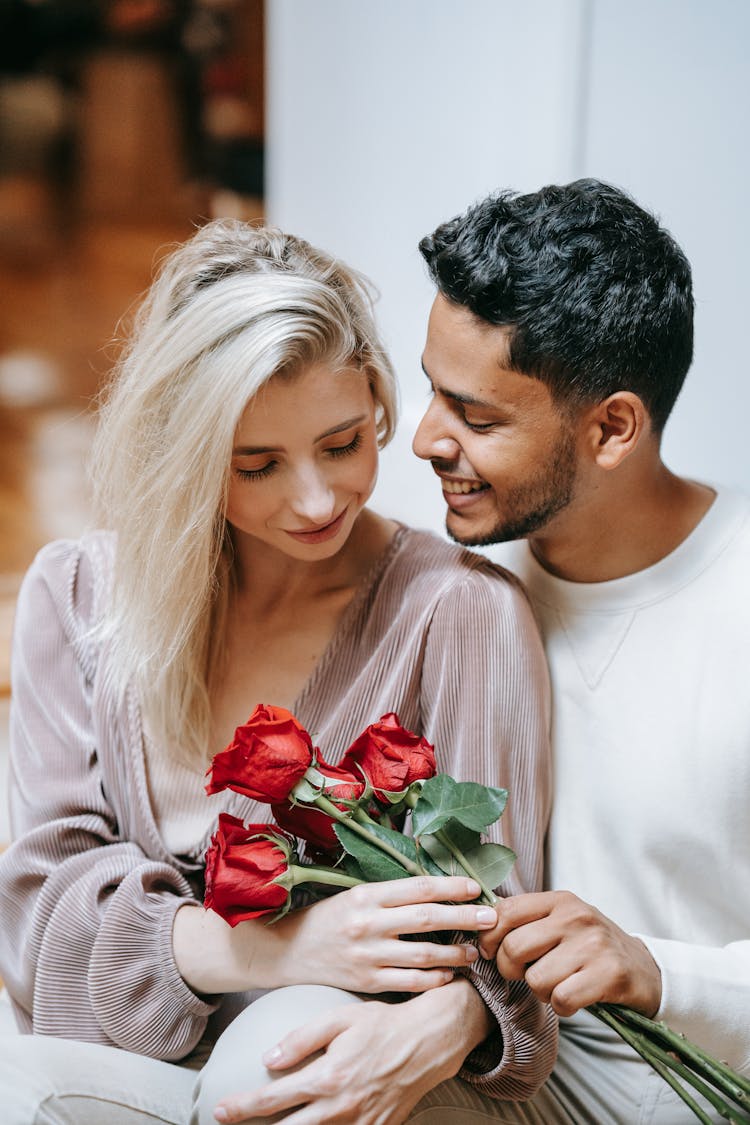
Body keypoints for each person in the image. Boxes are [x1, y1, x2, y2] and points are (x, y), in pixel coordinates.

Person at [0, 219, 555, 1124]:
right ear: (180, 455)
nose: (314, 499)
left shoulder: (458, 612)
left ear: (378, 401)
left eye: (342, 444)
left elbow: (499, 929)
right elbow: (37, 920)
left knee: (270, 1059)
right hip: (125, 1056)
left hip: (328, 1072)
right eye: (256, 464)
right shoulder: (79, 593)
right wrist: (270, 950)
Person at [412, 177, 750, 1123]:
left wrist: (656, 968)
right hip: (498, 1069)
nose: (424, 439)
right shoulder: (455, 586)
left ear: (612, 428)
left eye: (477, 418)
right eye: (433, 391)